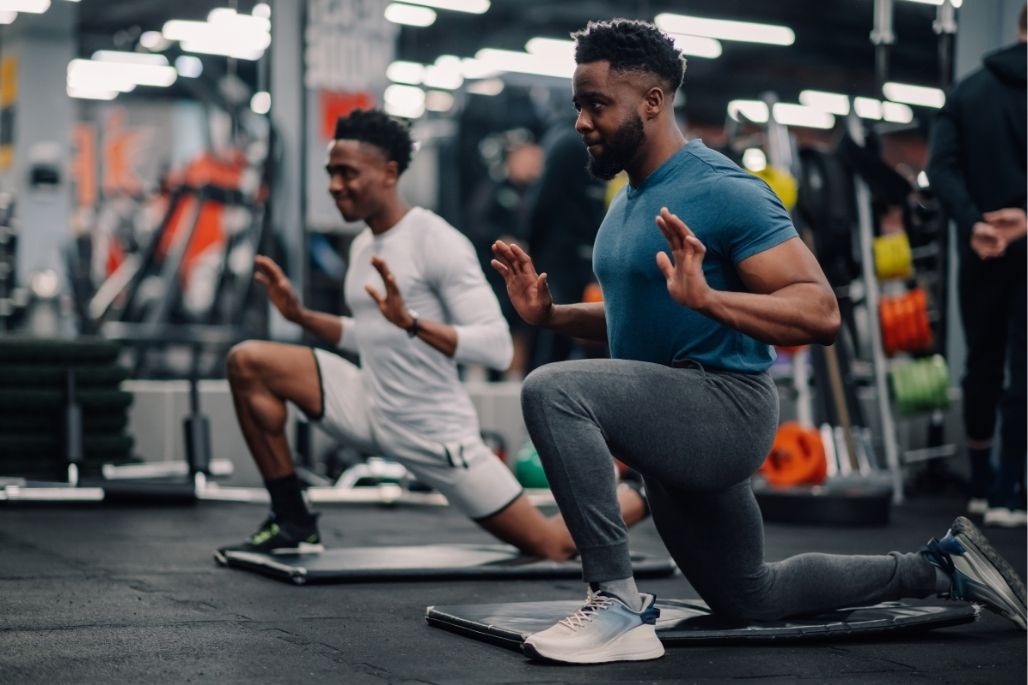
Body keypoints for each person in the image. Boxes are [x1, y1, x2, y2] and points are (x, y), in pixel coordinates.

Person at [491, 19, 1026, 665]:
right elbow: (636, 321)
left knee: (553, 388)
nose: (581, 121)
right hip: (672, 420)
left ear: (653, 102)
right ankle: (939, 565)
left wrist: (714, 299)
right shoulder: (624, 204)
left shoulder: (725, 190)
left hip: (724, 410)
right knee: (752, 594)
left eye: (597, 103)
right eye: (579, 104)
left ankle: (618, 601)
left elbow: (821, 310)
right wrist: (553, 315)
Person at [219, 108, 646, 561]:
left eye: (347, 173)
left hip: (432, 430)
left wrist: (413, 324)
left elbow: (497, 347)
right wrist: (300, 315)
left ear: (388, 173)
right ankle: (292, 519)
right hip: (369, 403)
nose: (335, 185)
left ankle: (646, 492)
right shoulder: (365, 245)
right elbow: (369, 335)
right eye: (331, 173)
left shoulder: (436, 240)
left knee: (552, 545)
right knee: (249, 362)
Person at [927, 5, 1027, 527]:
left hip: (980, 245)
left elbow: (939, 168)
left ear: (1019, 25)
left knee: (982, 362)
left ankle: (983, 487)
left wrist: (972, 222)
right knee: (1024, 366)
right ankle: (1013, 489)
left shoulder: (968, 91)